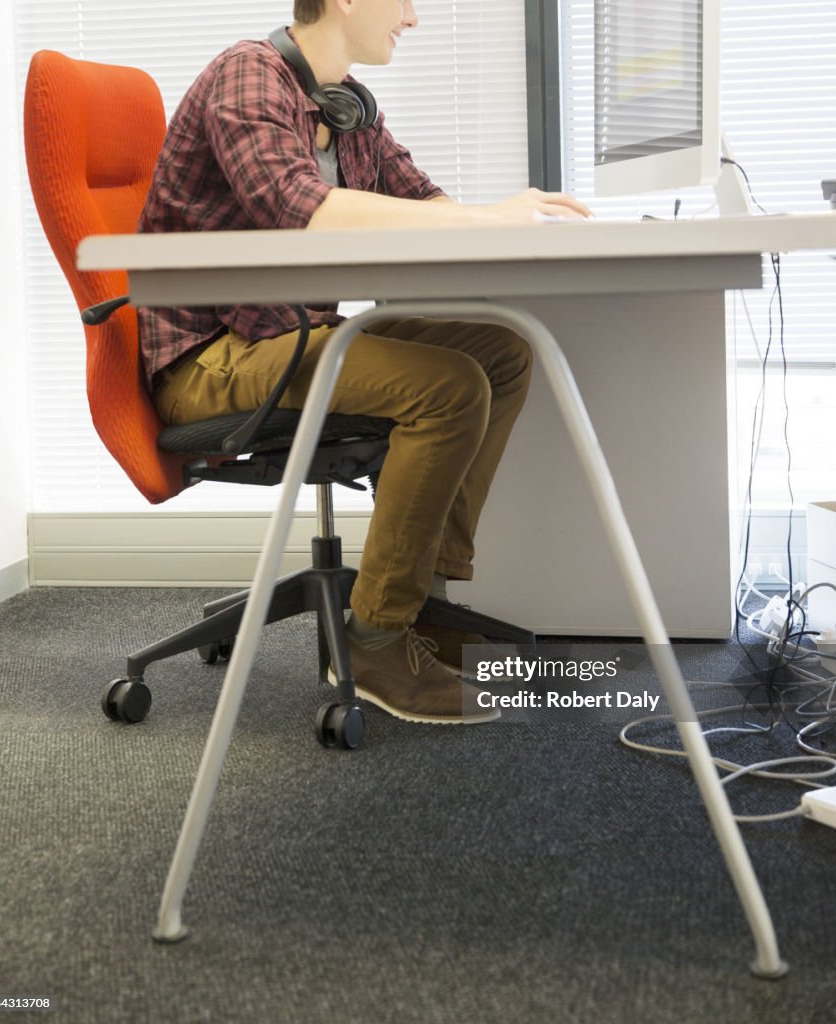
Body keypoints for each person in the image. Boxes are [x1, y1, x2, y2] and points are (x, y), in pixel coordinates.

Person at [138, 0, 591, 726]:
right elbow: (301, 207)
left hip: (287, 339)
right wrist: (483, 218)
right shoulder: (247, 78)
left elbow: (423, 199)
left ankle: (421, 606)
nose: (413, 17)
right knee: (447, 390)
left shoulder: (348, 109)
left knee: (499, 352)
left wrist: (509, 219)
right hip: (216, 361)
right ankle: (376, 639)